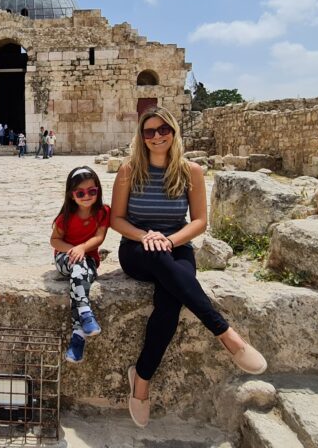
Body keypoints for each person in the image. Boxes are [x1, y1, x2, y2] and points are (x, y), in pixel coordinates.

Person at [110, 107, 267, 428]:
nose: (157, 136)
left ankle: (141, 380)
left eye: (162, 129)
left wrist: (168, 240)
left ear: (173, 130)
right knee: (158, 259)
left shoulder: (190, 171)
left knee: (169, 302)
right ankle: (226, 334)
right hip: (136, 250)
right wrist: (147, 236)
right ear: (141, 137)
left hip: (177, 247)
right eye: (149, 131)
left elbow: (199, 222)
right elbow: (116, 219)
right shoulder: (129, 170)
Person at [50, 166, 110, 363]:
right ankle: (85, 314)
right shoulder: (65, 218)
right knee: (77, 266)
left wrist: (83, 248)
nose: (87, 196)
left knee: (79, 274)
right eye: (80, 192)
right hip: (65, 258)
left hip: (87, 260)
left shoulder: (102, 212)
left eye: (92, 191)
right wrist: (72, 249)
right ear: (71, 195)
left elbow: (99, 237)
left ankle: (79, 334)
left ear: (98, 191)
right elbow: (55, 241)